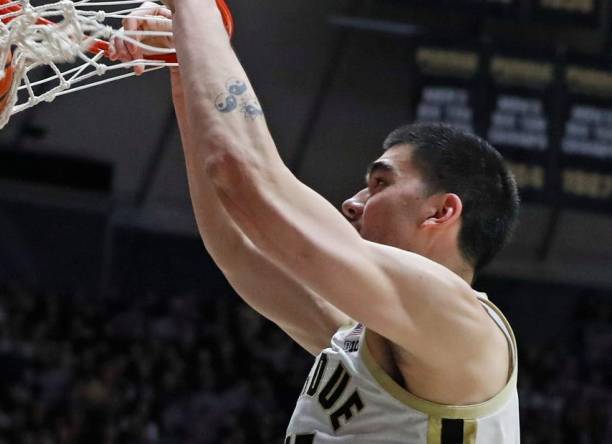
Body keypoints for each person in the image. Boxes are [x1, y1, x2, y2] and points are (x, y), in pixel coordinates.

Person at [122, 1, 521, 442]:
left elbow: (246, 179)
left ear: (441, 212)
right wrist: (186, 69)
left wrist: (196, 10)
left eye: (380, 183)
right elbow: (240, 245)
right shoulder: (370, 334)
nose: (352, 202)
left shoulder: (460, 322)